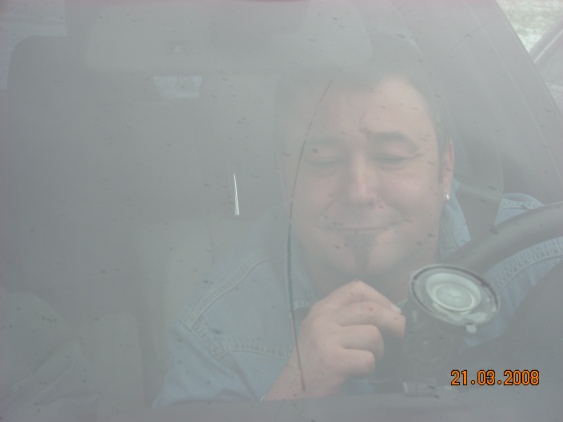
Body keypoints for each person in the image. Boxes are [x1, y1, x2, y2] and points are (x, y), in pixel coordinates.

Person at [154, 39, 563, 404]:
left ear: (445, 169)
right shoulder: (220, 331)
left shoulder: (542, 262)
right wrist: (290, 397)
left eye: (391, 157)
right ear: (285, 180)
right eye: (322, 160)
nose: (358, 191)